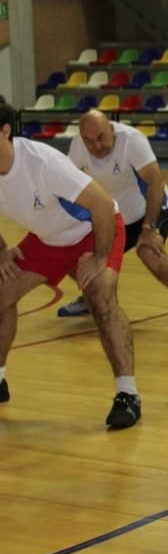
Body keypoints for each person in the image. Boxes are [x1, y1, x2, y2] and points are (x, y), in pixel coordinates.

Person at [0, 98, 141, 428]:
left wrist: (99, 257)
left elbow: (103, 205)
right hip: (47, 239)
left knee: (101, 299)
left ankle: (128, 394)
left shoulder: (41, 161)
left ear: (5, 131)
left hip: (92, 231)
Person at [57, 110, 168, 325]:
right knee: (78, 255)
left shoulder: (131, 140)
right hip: (114, 217)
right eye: (89, 141)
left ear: (111, 128)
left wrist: (150, 229)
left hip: (151, 208)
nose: (96, 146)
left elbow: (155, 183)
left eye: (100, 138)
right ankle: (91, 297)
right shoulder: (78, 146)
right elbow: (71, 186)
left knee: (148, 251)